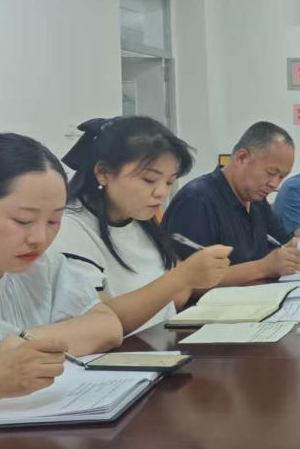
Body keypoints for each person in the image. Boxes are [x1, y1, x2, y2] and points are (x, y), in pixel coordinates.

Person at [0, 133, 123, 410]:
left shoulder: (41, 267)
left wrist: (27, 341)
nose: (40, 238)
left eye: (53, 221)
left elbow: (107, 326)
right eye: (23, 220)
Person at [51, 117, 231, 335]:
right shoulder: (69, 228)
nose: (162, 192)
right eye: (149, 180)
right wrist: (181, 278)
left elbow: (173, 299)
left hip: (160, 345)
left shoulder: (139, 219)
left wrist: (195, 276)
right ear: (103, 173)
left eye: (169, 182)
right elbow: (93, 326)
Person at [163, 122, 300, 284]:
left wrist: (299, 249)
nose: (275, 184)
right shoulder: (196, 200)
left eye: (282, 177)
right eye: (271, 173)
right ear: (241, 158)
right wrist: (262, 268)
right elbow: (186, 280)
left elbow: (283, 243)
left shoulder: (257, 201)